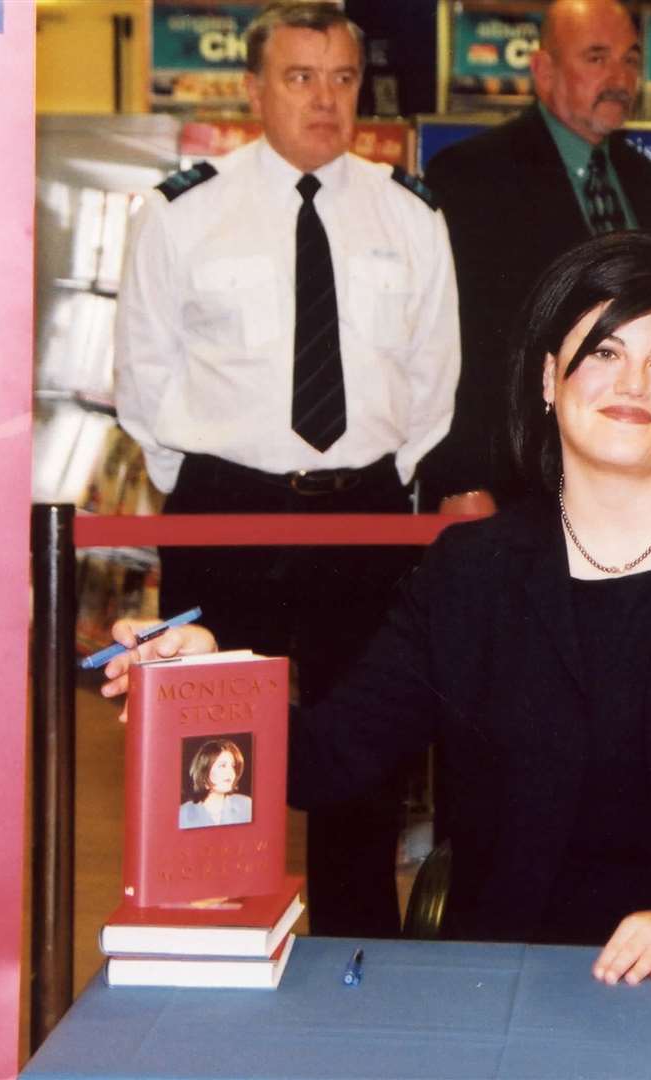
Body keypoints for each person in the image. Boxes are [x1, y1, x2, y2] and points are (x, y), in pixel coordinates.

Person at [102, 233, 651, 984]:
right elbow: (334, 759)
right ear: (548, 379)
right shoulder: (469, 572)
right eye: (603, 352)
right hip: (526, 969)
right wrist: (208, 686)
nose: (633, 384)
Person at [113, 1, 459, 938]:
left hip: (363, 518)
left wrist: (377, 480)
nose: (324, 99)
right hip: (229, 514)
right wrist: (218, 481)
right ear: (255, 88)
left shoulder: (409, 215)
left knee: (365, 763)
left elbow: (434, 381)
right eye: (300, 77)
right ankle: (215, 939)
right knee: (214, 759)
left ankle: (360, 961)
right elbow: (144, 384)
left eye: (342, 78)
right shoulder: (184, 211)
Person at [418, 0, 651, 512]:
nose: (619, 78)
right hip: (516, 478)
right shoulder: (472, 175)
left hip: (624, 471)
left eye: (630, 60)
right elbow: (452, 343)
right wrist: (461, 477)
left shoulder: (639, 175)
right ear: (543, 70)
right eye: (596, 58)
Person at [179, 739, 253, 829]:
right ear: (204, 771)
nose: (231, 772)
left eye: (233, 766)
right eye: (223, 766)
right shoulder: (182, 814)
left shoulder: (246, 805)